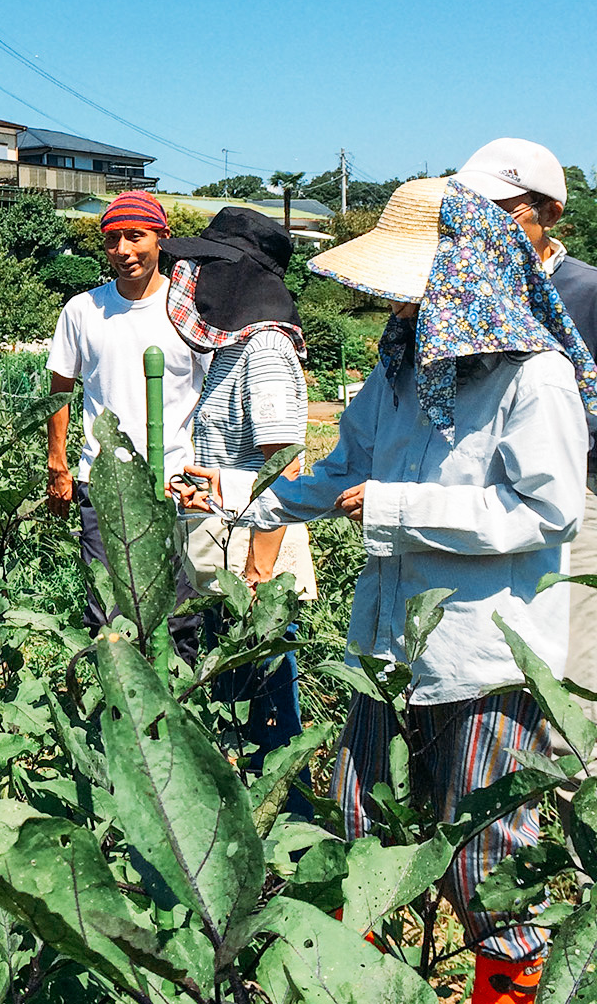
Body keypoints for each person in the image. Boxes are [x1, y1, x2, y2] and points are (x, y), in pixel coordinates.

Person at [173, 177, 596, 1004]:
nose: (396, 310)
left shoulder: (530, 377)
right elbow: (338, 474)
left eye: (410, 292)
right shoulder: (397, 371)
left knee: (490, 863)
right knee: (358, 838)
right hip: (389, 649)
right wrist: (230, 492)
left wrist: (403, 508)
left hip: (485, 655)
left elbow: (545, 511)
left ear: (467, 276)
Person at [453, 139, 597, 869]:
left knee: (573, 659)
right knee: (505, 650)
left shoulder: (587, 291)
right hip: (489, 494)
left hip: (577, 492)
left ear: (548, 213)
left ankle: (573, 829)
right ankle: (509, 809)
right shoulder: (468, 287)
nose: (485, 223)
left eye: (503, 210)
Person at [159, 207, 315, 815]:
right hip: (225, 548)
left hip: (254, 557)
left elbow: (288, 467)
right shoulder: (235, 347)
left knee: (268, 710)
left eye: (208, 265)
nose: (193, 274)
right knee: (234, 699)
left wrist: (257, 571)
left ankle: (292, 841)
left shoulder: (267, 350)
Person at [45, 190, 209, 640]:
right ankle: (113, 709)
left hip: (176, 481)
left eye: (135, 237)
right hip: (102, 480)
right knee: (106, 614)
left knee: (176, 614)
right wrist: (57, 465)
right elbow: (59, 391)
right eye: (112, 239)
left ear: (162, 238)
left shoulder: (188, 310)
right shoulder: (83, 310)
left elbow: (212, 398)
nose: (123, 251)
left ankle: (176, 706)